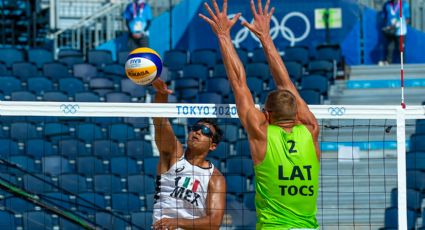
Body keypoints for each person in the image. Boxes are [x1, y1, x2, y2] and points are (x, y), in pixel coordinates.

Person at [199, 0, 320, 229]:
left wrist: (224, 35)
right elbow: (287, 85)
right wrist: (266, 37)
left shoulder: (262, 134)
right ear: (297, 114)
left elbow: (238, 82)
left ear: (266, 114)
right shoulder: (311, 130)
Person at [150, 79, 226, 230]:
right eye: (196, 127)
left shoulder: (215, 178)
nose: (197, 131)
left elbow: (214, 222)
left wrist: (177, 222)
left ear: (212, 145)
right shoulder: (174, 155)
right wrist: (161, 95)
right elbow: (160, 121)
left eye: (205, 131)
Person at [380, 0, 410, 65]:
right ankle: (388, 62)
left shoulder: (404, 5)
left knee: (400, 48)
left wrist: (400, 24)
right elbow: (384, 16)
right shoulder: (387, 4)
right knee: (390, 46)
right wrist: (387, 26)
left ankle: (403, 64)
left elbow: (407, 18)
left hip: (400, 31)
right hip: (391, 30)